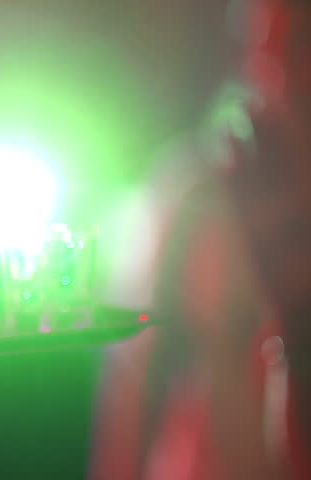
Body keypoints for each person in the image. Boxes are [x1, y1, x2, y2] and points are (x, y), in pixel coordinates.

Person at [95, 0, 311, 478]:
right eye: (264, 45)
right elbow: (135, 381)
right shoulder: (192, 193)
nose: (278, 69)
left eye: (297, 43)